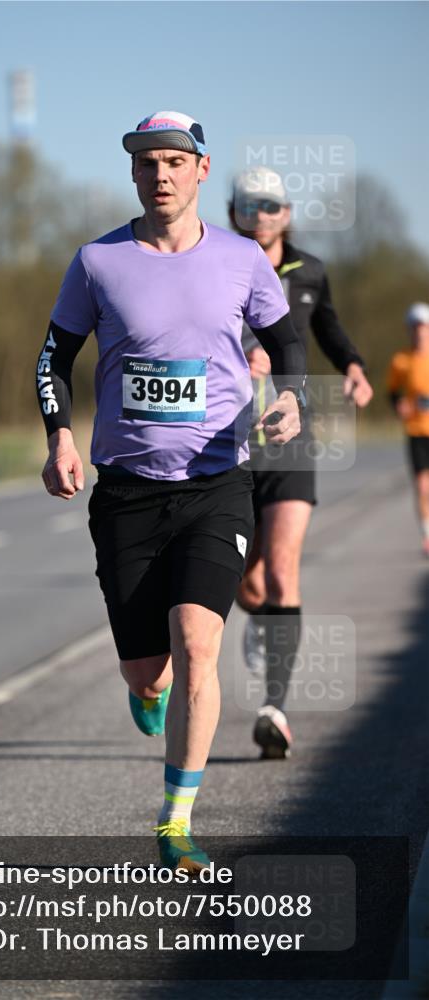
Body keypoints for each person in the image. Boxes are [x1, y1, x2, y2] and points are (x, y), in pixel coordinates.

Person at [36, 112, 305, 871]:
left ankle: (175, 821)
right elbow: (53, 358)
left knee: (197, 645)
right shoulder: (97, 262)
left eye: (174, 162)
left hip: (216, 484)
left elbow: (286, 343)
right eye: (147, 162)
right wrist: (59, 436)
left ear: (201, 170)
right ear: (132, 172)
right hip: (126, 492)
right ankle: (147, 691)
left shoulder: (240, 259)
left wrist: (291, 398)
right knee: (147, 670)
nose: (160, 174)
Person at [229, 167, 373, 759]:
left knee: (283, 572)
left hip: (289, 438)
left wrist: (354, 365)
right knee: (247, 582)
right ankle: (262, 620)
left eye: (270, 206)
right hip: (230, 441)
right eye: (248, 206)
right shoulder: (215, 264)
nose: (260, 215)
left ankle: (275, 708)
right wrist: (242, 361)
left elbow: (327, 326)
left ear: (286, 214)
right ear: (234, 212)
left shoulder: (310, 271)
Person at [387, 302, 429, 557]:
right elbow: (392, 392)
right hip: (415, 430)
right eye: (415, 328)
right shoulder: (401, 360)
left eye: (423, 328)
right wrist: (398, 404)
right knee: (423, 486)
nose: (419, 333)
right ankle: (427, 535)